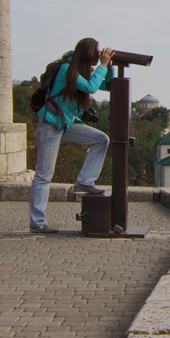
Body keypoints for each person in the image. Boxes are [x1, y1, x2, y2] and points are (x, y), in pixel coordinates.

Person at [27, 38, 115, 233]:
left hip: (63, 124)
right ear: (88, 53)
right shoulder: (67, 70)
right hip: (50, 126)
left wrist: (110, 66)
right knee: (44, 175)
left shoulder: (81, 71)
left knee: (101, 140)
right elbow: (92, 88)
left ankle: (84, 182)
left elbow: (106, 86)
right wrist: (103, 64)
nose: (98, 55)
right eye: (97, 52)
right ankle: (38, 222)